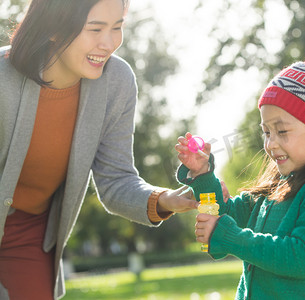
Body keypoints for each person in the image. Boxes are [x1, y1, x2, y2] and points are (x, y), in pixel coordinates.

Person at [0, 0, 198, 299]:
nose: (108, 43)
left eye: (117, 27)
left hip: (30, 232)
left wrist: (167, 199)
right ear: (53, 26)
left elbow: (116, 180)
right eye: (95, 29)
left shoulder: (117, 82)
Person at [175, 51, 305, 299]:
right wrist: (203, 176)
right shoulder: (274, 188)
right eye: (266, 132)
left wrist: (227, 234)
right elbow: (222, 219)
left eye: (282, 131)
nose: (271, 143)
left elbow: (299, 257)